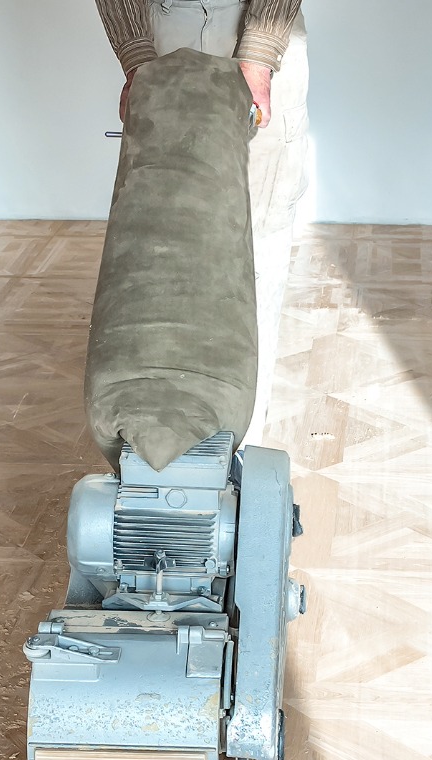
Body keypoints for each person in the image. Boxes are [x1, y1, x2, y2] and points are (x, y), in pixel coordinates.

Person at [94, 0, 309, 447]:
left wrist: (261, 52)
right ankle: (151, 440)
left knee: (255, 250)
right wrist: (136, 54)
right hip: (164, 34)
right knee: (156, 248)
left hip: (256, 33)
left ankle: (240, 450)